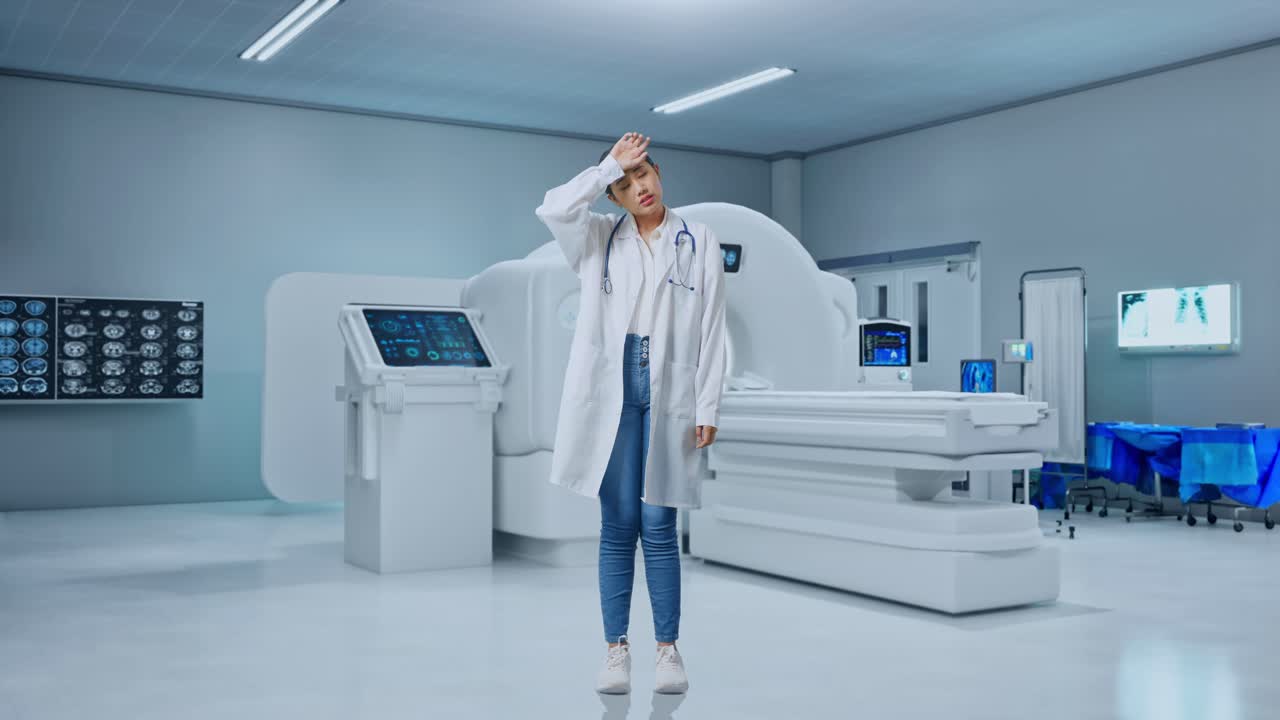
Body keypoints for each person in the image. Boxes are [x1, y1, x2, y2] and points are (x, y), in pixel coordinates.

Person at [535, 132, 727, 695]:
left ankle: (668, 651)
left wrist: (709, 401)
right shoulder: (595, 237)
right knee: (618, 525)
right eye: (623, 184)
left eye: (642, 174)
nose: (637, 187)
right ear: (612, 197)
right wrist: (604, 169)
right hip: (614, 387)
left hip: (671, 390)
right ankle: (615, 649)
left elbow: (713, 327)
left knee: (659, 525)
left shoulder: (700, 239)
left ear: (658, 172)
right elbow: (552, 207)